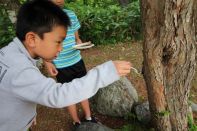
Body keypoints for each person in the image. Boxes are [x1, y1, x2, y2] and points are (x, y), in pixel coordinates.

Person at [0, 0, 131, 131]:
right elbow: (57, 95)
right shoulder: (20, 70)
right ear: (32, 39)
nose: (61, 48)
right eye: (58, 42)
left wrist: (25, 114)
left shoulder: (9, 55)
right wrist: (105, 72)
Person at [43, 0, 96, 127]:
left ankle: (88, 117)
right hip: (60, 65)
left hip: (76, 60)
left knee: (83, 88)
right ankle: (76, 121)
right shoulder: (43, 19)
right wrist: (47, 62)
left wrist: (80, 43)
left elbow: (76, 37)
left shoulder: (70, 14)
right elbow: (42, 43)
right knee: (67, 93)